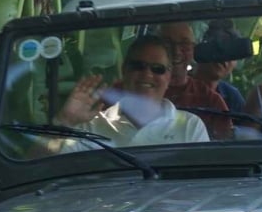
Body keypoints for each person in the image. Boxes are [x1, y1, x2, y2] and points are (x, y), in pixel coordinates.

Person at [55, 36, 208, 145]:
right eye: (138, 66)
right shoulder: (91, 127)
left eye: (157, 69)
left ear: (168, 77)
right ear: (124, 71)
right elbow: (38, 168)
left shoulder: (190, 126)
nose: (147, 74)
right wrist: (65, 121)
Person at [156, 21, 231, 139]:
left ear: (194, 50)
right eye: (167, 43)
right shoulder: (135, 89)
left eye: (184, 44)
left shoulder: (211, 101)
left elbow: (225, 152)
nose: (176, 51)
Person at [194, 20, 245, 112]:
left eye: (231, 53)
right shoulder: (178, 87)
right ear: (200, 48)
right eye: (219, 48)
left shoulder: (232, 97)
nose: (224, 58)